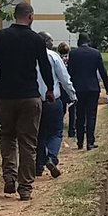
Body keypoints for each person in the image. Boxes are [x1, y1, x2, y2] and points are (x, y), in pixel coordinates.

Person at [0, 3, 55, 201]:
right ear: (30, 17)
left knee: (8, 136)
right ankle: (25, 187)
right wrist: (50, 89)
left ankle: (9, 177)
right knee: (28, 142)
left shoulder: (2, 37)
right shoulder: (36, 39)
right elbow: (45, 66)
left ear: (15, 16)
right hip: (30, 96)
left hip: (6, 96)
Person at [35, 32, 76, 178]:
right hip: (52, 100)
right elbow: (64, 78)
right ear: (45, 42)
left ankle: (38, 166)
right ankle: (51, 157)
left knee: (39, 134)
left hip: (34, 101)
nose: (52, 43)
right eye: (50, 40)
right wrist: (72, 95)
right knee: (56, 132)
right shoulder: (53, 56)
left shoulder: (29, 56)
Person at [66, 33, 108, 151]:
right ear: (88, 41)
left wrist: (68, 89)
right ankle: (90, 142)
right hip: (93, 88)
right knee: (91, 115)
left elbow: (69, 72)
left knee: (79, 115)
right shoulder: (95, 53)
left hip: (78, 88)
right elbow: (103, 72)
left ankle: (80, 142)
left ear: (78, 42)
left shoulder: (73, 54)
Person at [58, 42, 76, 139]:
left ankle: (59, 128)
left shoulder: (58, 59)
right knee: (73, 110)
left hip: (61, 88)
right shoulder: (71, 60)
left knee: (62, 111)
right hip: (70, 87)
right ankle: (72, 130)